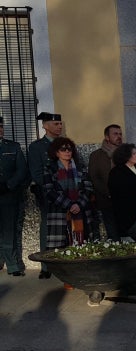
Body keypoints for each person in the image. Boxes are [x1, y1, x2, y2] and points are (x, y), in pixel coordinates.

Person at [42, 137, 100, 301]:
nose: (67, 152)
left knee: (81, 244)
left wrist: (79, 204)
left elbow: (88, 188)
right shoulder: (50, 168)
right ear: (56, 152)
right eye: (63, 149)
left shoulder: (80, 167)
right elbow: (49, 190)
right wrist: (68, 205)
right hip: (60, 214)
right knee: (63, 247)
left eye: (69, 149)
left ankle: (84, 277)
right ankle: (68, 278)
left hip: (81, 213)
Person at [27, 112, 63, 279]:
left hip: (67, 193)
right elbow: (36, 173)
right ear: (45, 126)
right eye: (56, 124)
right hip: (47, 194)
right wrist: (53, 188)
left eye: (60, 124)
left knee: (66, 227)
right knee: (47, 228)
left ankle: (64, 262)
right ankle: (46, 265)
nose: (60, 126)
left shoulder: (66, 144)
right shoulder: (36, 147)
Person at [108, 143, 136, 242]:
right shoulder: (117, 173)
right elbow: (121, 196)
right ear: (125, 155)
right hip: (128, 217)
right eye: (134, 154)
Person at [0, 116, 27, 276]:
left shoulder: (13, 147)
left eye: (1, 127)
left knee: (9, 231)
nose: (1, 130)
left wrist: (8, 185)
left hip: (8, 195)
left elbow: (22, 170)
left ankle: (12, 265)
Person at [87, 124, 123, 241]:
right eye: (115, 134)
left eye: (120, 134)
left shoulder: (127, 153)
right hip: (107, 202)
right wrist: (108, 193)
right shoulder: (96, 156)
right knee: (113, 235)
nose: (119, 136)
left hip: (126, 202)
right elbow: (94, 177)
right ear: (107, 137)